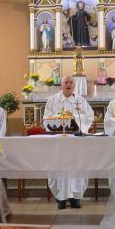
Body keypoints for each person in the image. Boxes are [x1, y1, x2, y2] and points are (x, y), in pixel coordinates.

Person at [43, 76, 94, 209]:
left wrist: (74, 118)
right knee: (59, 166)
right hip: (58, 141)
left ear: (74, 86)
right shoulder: (52, 100)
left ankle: (76, 197)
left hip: (76, 140)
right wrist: (60, 119)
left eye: (71, 82)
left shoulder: (80, 100)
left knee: (77, 166)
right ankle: (61, 197)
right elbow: (46, 118)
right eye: (66, 82)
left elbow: (89, 116)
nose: (68, 84)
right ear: (61, 85)